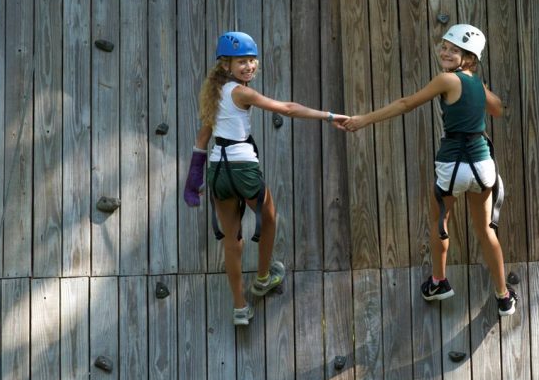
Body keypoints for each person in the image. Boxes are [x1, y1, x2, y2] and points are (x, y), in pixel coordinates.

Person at [339, 24, 517, 316]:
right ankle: (503, 296)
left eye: (454, 49)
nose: (445, 52)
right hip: (483, 165)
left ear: (469, 58)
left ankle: (438, 282)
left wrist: (363, 120)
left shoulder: (447, 80)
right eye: (445, 46)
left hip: (453, 164)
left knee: (440, 223)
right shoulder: (477, 84)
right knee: (486, 230)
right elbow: (498, 108)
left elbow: (406, 103)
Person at [183, 31, 347, 325]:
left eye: (251, 60)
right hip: (243, 168)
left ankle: (239, 307)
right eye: (241, 62)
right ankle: (262, 278)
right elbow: (286, 108)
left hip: (218, 173)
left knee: (232, 242)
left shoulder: (214, 94)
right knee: (269, 216)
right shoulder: (241, 92)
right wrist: (329, 116)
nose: (248, 67)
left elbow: (202, 138)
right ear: (225, 66)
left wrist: (194, 177)